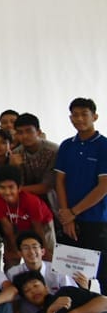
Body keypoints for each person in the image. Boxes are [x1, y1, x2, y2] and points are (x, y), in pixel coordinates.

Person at [55, 97, 107, 292]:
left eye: (84, 114)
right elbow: (59, 181)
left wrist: (73, 212)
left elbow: (103, 187)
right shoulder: (67, 145)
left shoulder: (103, 146)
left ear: (95, 117)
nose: (79, 119)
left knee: (101, 273)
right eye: (75, 115)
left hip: (96, 220)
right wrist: (66, 215)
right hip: (69, 220)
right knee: (69, 272)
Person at [0, 166, 54, 268]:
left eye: (11, 187)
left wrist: (44, 250)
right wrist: (15, 250)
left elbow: (38, 228)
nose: (7, 192)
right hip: (16, 226)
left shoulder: (32, 201)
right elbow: (7, 229)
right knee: (11, 257)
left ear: (19, 188)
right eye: (2, 188)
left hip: (42, 224)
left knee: (46, 255)